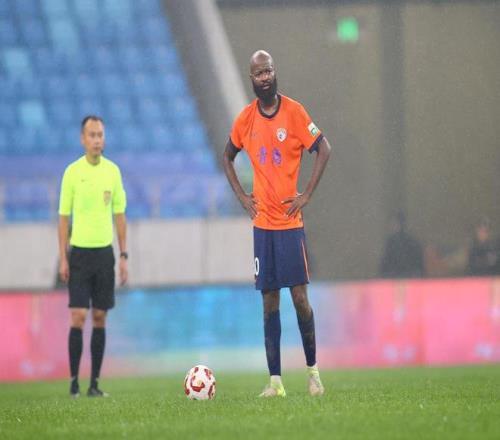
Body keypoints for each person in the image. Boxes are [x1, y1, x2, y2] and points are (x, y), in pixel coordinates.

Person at [222, 50, 332, 397]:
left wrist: (307, 194)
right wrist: (243, 198)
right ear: (251, 79)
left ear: (275, 72)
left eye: (268, 70)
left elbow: (324, 148)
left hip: (289, 223)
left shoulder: (295, 112)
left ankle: (313, 374)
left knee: (299, 298)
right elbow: (227, 157)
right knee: (269, 301)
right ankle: (275, 382)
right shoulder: (245, 119)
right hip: (263, 226)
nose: (265, 77)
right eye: (259, 73)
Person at [58, 115, 128, 398]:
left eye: (100, 135)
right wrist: (63, 257)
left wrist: (123, 255)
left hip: (104, 254)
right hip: (79, 254)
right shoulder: (72, 172)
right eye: (92, 135)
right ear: (83, 139)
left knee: (99, 317)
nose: (97, 140)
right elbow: (63, 218)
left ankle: (94, 384)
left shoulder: (113, 172)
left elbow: (119, 215)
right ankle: (74, 382)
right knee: (78, 316)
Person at [379, 212, 424, 278]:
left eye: (393, 223)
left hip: (403, 278)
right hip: (402, 278)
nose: (390, 226)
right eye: (390, 223)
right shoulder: (412, 241)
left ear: (400, 224)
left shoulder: (394, 242)